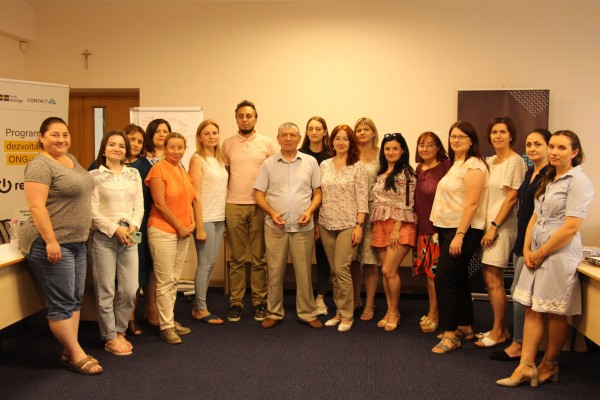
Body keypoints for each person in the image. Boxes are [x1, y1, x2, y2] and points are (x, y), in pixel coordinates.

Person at [497, 130, 594, 387]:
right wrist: (528, 249)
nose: (554, 152)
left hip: (558, 254)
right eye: (552, 146)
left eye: (561, 148)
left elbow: (571, 227)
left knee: (553, 313)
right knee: (532, 308)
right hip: (536, 250)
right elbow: (535, 216)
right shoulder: (550, 176)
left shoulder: (578, 181)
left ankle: (550, 365)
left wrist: (540, 253)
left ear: (574, 152)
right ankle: (525, 366)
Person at [19, 117, 101, 375]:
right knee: (62, 302)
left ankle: (69, 350)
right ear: (41, 137)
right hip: (52, 243)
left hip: (76, 242)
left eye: (65, 134)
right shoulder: (39, 165)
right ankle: (76, 354)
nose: (61, 139)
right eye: (55, 135)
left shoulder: (70, 159)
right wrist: (51, 240)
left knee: (74, 299)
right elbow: (36, 206)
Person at [255, 122, 323, 329]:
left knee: (304, 272)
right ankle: (274, 313)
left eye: (292, 135)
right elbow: (259, 194)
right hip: (275, 227)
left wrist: (310, 212)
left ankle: (308, 313)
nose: (288, 138)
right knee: (274, 271)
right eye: (284, 135)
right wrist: (272, 213)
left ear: (299, 138)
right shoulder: (268, 164)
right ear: (278, 139)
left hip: (303, 227)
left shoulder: (310, 162)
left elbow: (318, 193)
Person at [491, 129, 551, 361]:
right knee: (517, 291)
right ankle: (521, 342)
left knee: (521, 294)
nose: (532, 148)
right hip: (521, 240)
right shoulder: (530, 172)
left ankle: (519, 344)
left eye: (538, 144)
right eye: (529, 144)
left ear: (548, 147)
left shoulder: (550, 175)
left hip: (535, 244)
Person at [430, 121, 489, 354]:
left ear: (471, 140)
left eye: (461, 136)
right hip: (449, 229)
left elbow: (472, 203)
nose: (456, 140)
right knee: (459, 278)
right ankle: (465, 326)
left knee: (444, 279)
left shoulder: (474, 166)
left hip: (464, 230)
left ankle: (450, 334)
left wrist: (459, 235)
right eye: (453, 136)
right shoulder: (457, 164)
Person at [89, 130, 144, 356]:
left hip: (130, 237)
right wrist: (115, 229)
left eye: (121, 146)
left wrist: (134, 226)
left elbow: (139, 205)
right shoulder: (93, 176)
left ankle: (120, 330)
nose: (117, 149)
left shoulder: (133, 174)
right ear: (104, 149)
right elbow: (92, 211)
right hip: (105, 238)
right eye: (112, 144)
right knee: (106, 290)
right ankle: (110, 336)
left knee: (130, 289)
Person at [222, 100, 276, 322]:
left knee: (259, 258)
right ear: (236, 118)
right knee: (236, 258)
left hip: (260, 206)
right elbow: (225, 175)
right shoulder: (227, 144)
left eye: (249, 116)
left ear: (255, 118)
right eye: (241, 116)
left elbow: (274, 175)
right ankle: (236, 303)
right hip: (234, 204)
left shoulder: (267, 143)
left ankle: (259, 302)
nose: (245, 119)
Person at [475, 116, 526, 348]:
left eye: (502, 132)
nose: (498, 136)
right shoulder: (490, 161)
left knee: (494, 278)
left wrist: (494, 227)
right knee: (488, 277)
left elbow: (512, 197)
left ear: (511, 135)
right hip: (486, 225)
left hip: (502, 226)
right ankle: (501, 328)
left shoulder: (515, 161)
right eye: (494, 132)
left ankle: (499, 332)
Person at [145, 132, 196, 344]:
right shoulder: (158, 169)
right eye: (172, 147)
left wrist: (191, 223)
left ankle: (169, 319)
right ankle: (165, 327)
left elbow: (189, 199)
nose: (176, 151)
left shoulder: (182, 170)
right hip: (163, 230)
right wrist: (180, 227)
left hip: (183, 232)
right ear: (165, 148)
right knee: (165, 281)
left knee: (174, 280)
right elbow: (160, 203)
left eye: (180, 147)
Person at [318, 124, 369, 332]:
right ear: (332, 142)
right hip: (326, 223)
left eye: (345, 139)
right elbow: (319, 194)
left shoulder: (357, 167)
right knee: (334, 271)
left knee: (342, 268)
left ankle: (347, 315)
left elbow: (362, 199)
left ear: (351, 142)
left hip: (349, 224)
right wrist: (316, 223)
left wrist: (359, 226)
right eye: (337, 138)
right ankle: (338, 312)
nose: (341, 142)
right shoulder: (324, 165)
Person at [370, 133, 417, 332]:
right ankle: (391, 310)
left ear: (402, 150)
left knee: (389, 270)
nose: (391, 152)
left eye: (395, 148)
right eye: (387, 149)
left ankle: (394, 312)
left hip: (400, 224)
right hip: (380, 224)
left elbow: (407, 202)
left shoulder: (406, 173)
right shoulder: (381, 172)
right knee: (385, 272)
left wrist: (396, 229)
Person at [189, 119, 228, 324]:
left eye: (214, 132)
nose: (212, 136)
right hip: (205, 218)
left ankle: (198, 306)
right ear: (200, 137)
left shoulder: (219, 160)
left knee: (211, 263)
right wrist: (199, 225)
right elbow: (195, 195)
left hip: (219, 217)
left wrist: (225, 221)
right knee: (205, 264)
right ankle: (201, 309)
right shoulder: (197, 160)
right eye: (207, 133)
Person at [413, 131, 450, 333]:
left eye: (430, 144)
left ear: (438, 147)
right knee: (429, 274)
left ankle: (435, 314)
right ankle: (434, 310)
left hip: (439, 230)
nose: (425, 148)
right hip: (423, 229)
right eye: (421, 145)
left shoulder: (446, 166)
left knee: (435, 275)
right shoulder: (419, 168)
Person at [122, 124, 154, 336]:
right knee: (116, 276)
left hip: (138, 226)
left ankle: (130, 317)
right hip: (111, 227)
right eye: (131, 139)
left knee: (135, 271)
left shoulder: (144, 166)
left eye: (140, 141)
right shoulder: (104, 164)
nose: (135, 144)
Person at [299, 116, 332, 316]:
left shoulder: (331, 156)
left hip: (325, 214)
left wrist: (319, 220)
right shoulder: (299, 155)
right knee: (301, 258)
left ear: (325, 131)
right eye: (310, 128)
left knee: (323, 258)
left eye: (318, 128)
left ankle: (320, 298)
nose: (314, 132)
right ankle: (304, 298)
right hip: (302, 214)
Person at [351, 117, 381, 321]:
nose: (362, 132)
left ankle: (370, 304)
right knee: (353, 259)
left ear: (373, 132)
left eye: (366, 129)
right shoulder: (350, 154)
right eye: (359, 129)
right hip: (351, 211)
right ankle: (355, 300)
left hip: (374, 212)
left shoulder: (382, 154)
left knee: (370, 261)